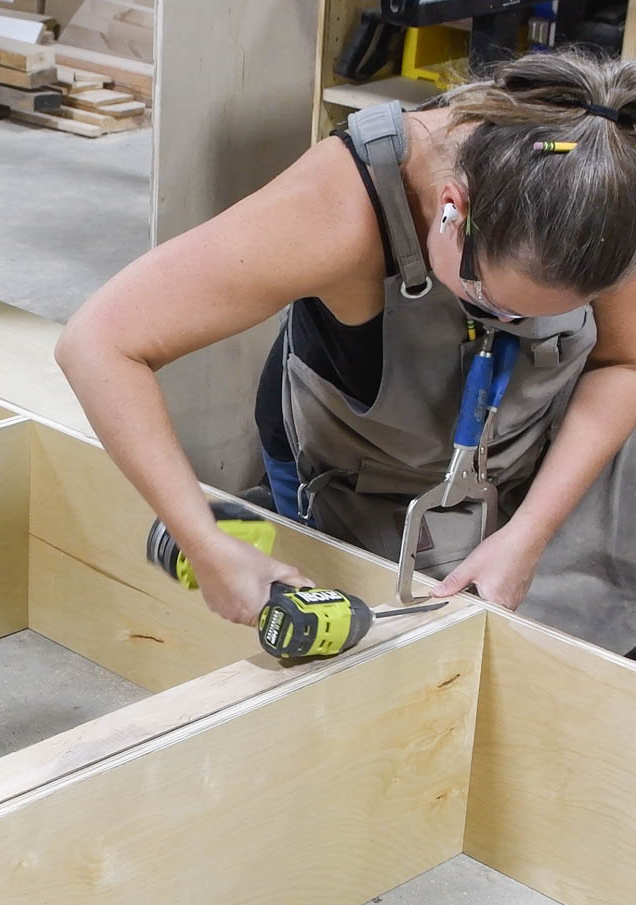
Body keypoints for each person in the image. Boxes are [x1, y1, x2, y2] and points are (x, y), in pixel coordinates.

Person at [54, 48, 636, 654]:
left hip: (535, 436)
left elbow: (624, 360)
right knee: (426, 645)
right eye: (493, 301)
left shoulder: (603, 186)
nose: (511, 325)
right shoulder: (337, 207)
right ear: (451, 209)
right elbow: (98, 343)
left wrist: (530, 533)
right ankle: (263, 517)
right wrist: (201, 540)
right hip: (384, 476)